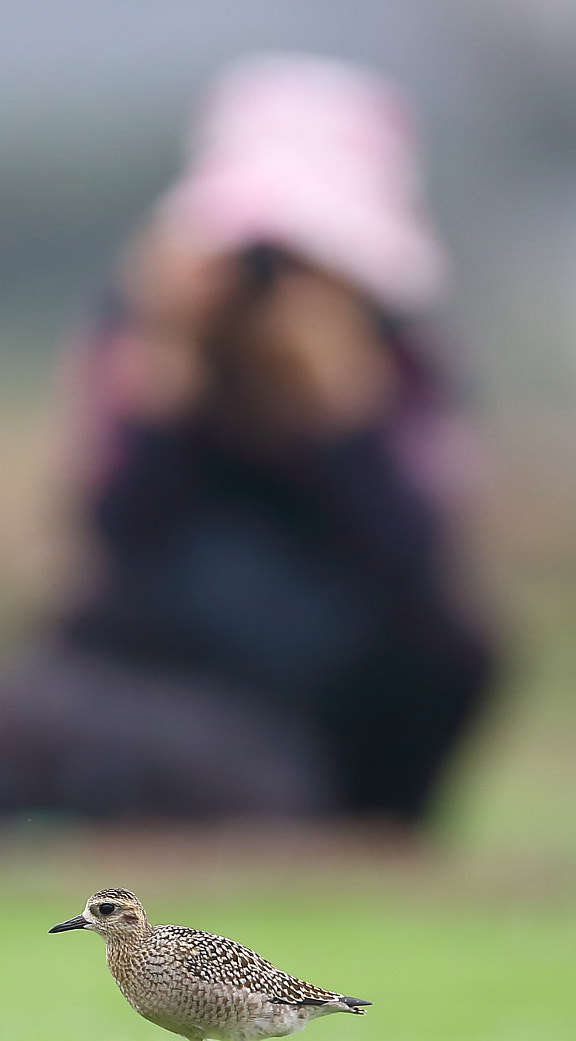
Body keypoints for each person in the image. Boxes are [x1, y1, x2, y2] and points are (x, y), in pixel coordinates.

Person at [38, 54, 496, 825]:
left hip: (340, 687)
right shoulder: (146, 343)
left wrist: (342, 413)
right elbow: (112, 537)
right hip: (177, 683)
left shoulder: (399, 363)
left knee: (453, 652)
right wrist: (168, 371)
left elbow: (421, 573)